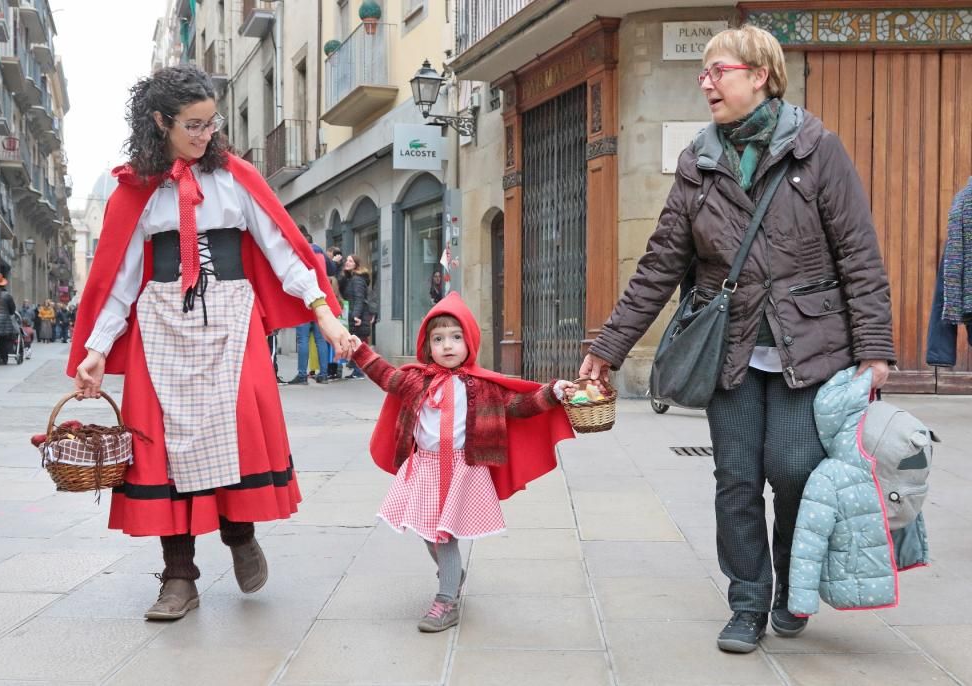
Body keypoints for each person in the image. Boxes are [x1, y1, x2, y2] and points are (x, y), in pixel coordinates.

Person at [579, 26, 893, 654]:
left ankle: (790, 589)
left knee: (797, 470)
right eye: (703, 73)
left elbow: (858, 252)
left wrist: (875, 350)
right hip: (732, 352)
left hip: (813, 348)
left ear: (760, 75)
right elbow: (660, 264)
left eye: (717, 70)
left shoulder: (816, 150)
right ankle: (748, 599)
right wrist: (608, 346)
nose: (706, 82)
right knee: (737, 480)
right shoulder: (698, 165)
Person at [69, 64, 352, 622]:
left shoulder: (238, 178)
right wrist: (98, 348)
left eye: (211, 123)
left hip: (231, 316)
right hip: (160, 324)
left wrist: (323, 312)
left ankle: (239, 533)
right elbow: (122, 279)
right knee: (161, 447)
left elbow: (282, 249)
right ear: (160, 122)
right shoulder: (136, 191)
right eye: (193, 124)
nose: (206, 134)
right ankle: (178, 577)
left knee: (237, 430)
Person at [351, 292, 575, 632]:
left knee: (445, 537)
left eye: (456, 337)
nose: (448, 345)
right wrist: (358, 350)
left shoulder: (485, 387)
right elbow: (385, 376)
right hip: (425, 467)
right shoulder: (417, 380)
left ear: (470, 341)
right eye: (438, 339)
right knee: (428, 532)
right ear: (427, 345)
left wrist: (553, 392)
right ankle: (452, 576)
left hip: (462, 469)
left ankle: (446, 601)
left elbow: (519, 405)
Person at [287, 228, 333, 385]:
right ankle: (324, 375)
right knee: (320, 340)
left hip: (304, 300)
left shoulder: (299, 252)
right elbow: (332, 270)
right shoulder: (321, 254)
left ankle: (302, 376)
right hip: (321, 299)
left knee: (303, 339)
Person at [341, 254, 372, 379]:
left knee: (358, 344)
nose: (347, 263)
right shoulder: (352, 278)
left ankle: (359, 371)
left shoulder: (357, 280)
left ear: (356, 265)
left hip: (359, 316)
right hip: (356, 314)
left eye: (350, 261)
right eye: (347, 260)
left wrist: (356, 316)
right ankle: (357, 370)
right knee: (356, 344)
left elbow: (359, 299)